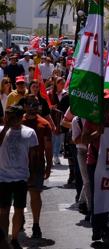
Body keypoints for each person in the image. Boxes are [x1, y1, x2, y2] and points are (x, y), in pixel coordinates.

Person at [82, 89, 109, 241]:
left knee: (108, 195)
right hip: (94, 162)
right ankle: (96, 228)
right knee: (97, 196)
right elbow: (83, 139)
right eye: (106, 101)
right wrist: (97, 133)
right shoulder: (91, 118)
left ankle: (104, 224)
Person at [0, 105, 38, 249]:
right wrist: (5, 127)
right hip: (3, 177)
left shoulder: (30, 133)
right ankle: (3, 239)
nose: (10, 119)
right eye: (7, 116)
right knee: (3, 210)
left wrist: (33, 174)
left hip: (21, 177)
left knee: (19, 209)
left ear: (21, 117)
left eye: (12, 116)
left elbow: (34, 155)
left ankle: (14, 238)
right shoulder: (1, 130)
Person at [21, 96, 53, 239]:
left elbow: (48, 147)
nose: (34, 107)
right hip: (19, 166)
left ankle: (36, 224)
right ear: (25, 106)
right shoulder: (18, 122)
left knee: (35, 195)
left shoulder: (44, 124)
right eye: (30, 104)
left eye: (36, 104)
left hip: (37, 165)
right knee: (19, 195)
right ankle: (19, 219)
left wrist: (49, 165)